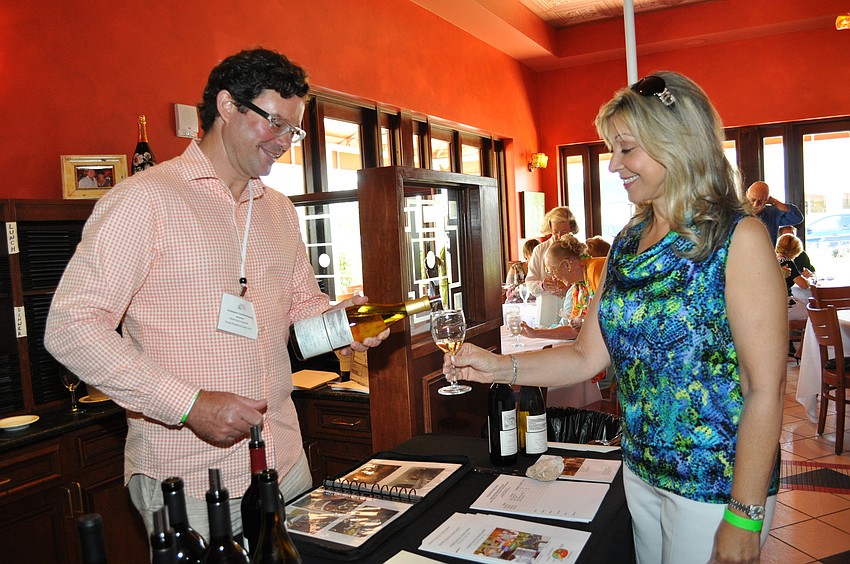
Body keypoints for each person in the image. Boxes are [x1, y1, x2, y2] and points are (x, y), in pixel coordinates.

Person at [44, 48, 389, 539]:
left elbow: (301, 309)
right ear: (227, 105)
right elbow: (71, 329)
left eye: (294, 130)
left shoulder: (278, 211)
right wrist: (189, 405)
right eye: (275, 122)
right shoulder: (145, 200)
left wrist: (340, 324)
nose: (285, 142)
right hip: (185, 471)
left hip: (284, 461)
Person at [445, 72, 786, 563]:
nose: (613, 165)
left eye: (626, 149)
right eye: (613, 149)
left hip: (716, 485)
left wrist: (743, 515)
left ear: (677, 144)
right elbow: (587, 355)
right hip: (640, 470)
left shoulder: (739, 238)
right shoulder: (629, 239)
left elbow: (765, 388)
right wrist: (501, 368)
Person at [520, 233, 605, 341]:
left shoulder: (596, 269)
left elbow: (613, 313)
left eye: (552, 271)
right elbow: (573, 330)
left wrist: (584, 321)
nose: (554, 278)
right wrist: (534, 333)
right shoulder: (578, 288)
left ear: (566, 264)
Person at [524, 206, 579, 297]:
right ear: (550, 227)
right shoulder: (539, 250)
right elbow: (529, 283)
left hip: (573, 304)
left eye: (564, 232)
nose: (559, 236)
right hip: (547, 305)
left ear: (571, 228)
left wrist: (570, 289)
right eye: (555, 232)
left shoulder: (577, 249)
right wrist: (542, 286)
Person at [746, 181, 803, 247]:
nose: (755, 204)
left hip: (765, 256)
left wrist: (774, 201)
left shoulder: (772, 214)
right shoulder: (738, 213)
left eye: (760, 201)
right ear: (747, 194)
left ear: (767, 200)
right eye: (753, 199)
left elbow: (797, 218)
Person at [776, 232, 810, 321]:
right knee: (813, 313)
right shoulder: (788, 262)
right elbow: (804, 285)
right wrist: (808, 279)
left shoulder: (775, 260)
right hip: (786, 305)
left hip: (775, 304)